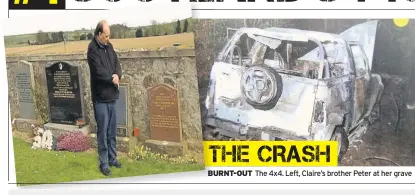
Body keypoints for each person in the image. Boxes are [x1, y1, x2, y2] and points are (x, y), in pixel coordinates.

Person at [87, 20, 122, 176]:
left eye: (109, 36)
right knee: (103, 132)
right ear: (99, 34)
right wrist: (111, 78)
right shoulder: (92, 49)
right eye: (106, 36)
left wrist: (117, 75)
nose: (108, 39)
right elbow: (98, 72)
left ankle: (113, 158)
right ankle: (104, 163)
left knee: (112, 131)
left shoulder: (109, 46)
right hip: (100, 98)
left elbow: (117, 64)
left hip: (112, 96)